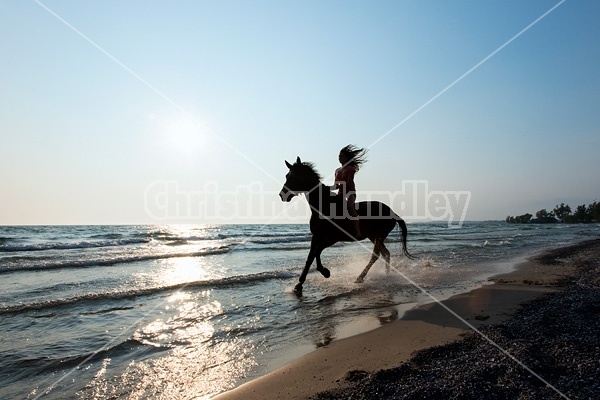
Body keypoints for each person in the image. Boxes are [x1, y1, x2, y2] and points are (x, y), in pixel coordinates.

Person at [334, 145, 368, 239]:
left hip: (350, 193)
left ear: (347, 157)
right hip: (340, 194)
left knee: (349, 206)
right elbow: (336, 185)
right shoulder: (337, 170)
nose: (340, 158)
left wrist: (339, 186)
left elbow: (349, 183)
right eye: (339, 157)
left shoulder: (350, 169)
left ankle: (358, 232)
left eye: (342, 156)